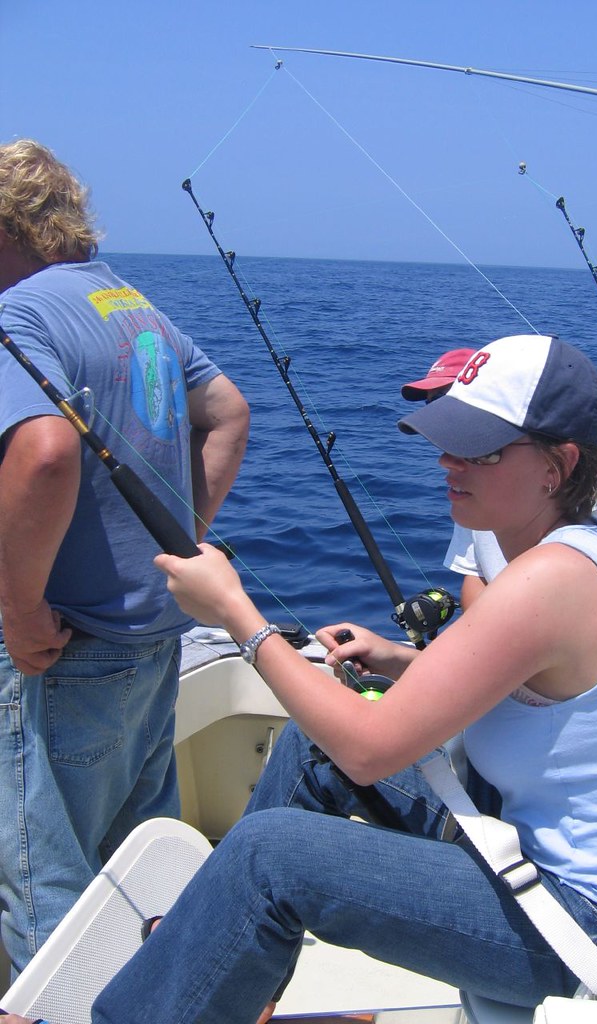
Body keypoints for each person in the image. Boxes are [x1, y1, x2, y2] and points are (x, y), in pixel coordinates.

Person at [48, 333, 597, 1024]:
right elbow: (525, 689)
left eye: (479, 448)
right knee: (310, 746)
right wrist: (400, 659)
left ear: (558, 465)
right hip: (553, 861)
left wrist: (238, 615)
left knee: (269, 858)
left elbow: (370, 750)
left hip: (590, 926)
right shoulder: (585, 550)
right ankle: (229, 975)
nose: (447, 461)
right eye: (448, 439)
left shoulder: (549, 580)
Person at [0, 140, 250, 974]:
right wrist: (176, 545)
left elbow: (42, 453)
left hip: (66, 651)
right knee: (139, 873)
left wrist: (19, 606)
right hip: (153, 635)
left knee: (48, 891)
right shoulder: (128, 303)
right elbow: (229, 412)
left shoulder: (20, 316)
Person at [402, 345, 597, 607]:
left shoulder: (571, 450)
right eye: (432, 403)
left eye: (449, 399)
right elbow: (475, 571)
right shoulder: (473, 481)